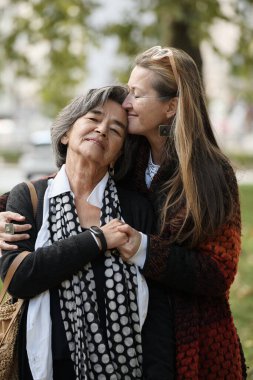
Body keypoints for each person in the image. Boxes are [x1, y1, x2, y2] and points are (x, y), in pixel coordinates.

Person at [0, 46, 247, 379]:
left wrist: (144, 248)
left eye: (137, 94)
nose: (127, 103)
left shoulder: (211, 175)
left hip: (194, 337)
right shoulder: (133, 155)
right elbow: (75, 178)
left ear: (171, 107)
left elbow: (218, 273)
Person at [0, 85, 154, 380]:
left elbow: (157, 308)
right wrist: (96, 239)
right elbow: (18, 277)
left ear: (120, 152)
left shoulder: (136, 210)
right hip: (43, 368)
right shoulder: (29, 197)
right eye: (93, 119)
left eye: (116, 129)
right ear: (66, 133)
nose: (102, 130)